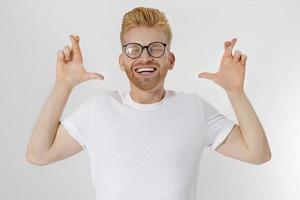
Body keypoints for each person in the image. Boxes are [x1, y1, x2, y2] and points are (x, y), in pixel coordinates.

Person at [26, 6, 271, 200]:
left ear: (170, 59)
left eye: (156, 48)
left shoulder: (194, 108)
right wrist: (63, 86)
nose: (145, 57)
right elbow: (38, 154)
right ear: (122, 60)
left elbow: (258, 153)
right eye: (134, 49)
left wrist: (235, 91)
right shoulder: (98, 108)